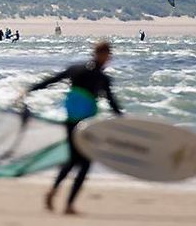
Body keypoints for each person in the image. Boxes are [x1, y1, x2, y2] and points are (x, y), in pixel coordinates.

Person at [22, 41, 122, 215]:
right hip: (85, 124)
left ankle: (54, 191)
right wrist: (122, 119)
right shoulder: (101, 78)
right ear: (101, 55)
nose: (109, 58)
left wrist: (30, 89)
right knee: (84, 163)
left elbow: (53, 80)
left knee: (74, 160)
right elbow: (111, 102)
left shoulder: (77, 69)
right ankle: (68, 204)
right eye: (108, 54)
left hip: (71, 121)